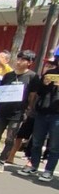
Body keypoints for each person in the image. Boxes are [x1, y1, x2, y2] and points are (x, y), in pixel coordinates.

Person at [0, 50, 38, 173]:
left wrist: (28, 109)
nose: (19, 62)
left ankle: (2, 161)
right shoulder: (9, 75)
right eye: (18, 59)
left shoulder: (32, 76)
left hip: (17, 113)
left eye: (23, 60)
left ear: (29, 63)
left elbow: (32, 95)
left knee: (9, 139)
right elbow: (2, 91)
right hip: (2, 111)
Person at [18, 46, 59, 182]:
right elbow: (39, 92)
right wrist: (46, 83)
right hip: (42, 112)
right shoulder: (50, 72)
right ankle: (33, 165)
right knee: (36, 141)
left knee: (54, 144)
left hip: (57, 115)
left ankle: (48, 170)